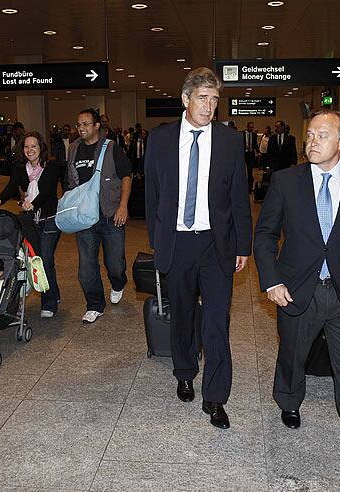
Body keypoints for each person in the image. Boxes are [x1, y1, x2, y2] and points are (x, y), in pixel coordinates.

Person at [253, 109, 340, 476]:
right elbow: (265, 235)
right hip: (297, 289)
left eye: (322, 135)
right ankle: (289, 400)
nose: (312, 142)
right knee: (293, 354)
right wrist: (271, 280)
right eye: (310, 135)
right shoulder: (285, 181)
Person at [145, 67, 252, 429]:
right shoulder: (159, 140)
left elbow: (239, 195)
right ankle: (185, 370)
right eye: (203, 99)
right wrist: (157, 241)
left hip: (215, 243)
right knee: (184, 314)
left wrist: (243, 244)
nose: (209, 107)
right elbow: (152, 196)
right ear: (185, 99)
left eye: (215, 100)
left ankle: (216, 396)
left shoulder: (229, 141)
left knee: (217, 320)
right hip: (176, 241)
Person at [66, 109, 133, 324]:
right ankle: (94, 305)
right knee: (86, 266)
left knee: (115, 264)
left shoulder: (111, 147)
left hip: (110, 215)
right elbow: (70, 182)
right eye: (79, 124)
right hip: (85, 218)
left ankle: (117, 282)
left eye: (86, 124)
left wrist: (123, 206)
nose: (81, 128)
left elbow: (126, 176)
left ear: (97, 126)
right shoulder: (74, 149)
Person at [0, 131, 61, 318]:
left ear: (41, 148)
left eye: (34, 146)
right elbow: (12, 185)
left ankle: (49, 302)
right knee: (36, 259)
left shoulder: (51, 166)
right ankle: (54, 292)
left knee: (45, 259)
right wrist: (0, 199)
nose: (30, 150)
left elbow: (46, 192)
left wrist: (33, 204)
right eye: (26, 146)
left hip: (50, 220)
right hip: (30, 221)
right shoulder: (21, 168)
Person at [242, 121, 258, 192]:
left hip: (250, 155)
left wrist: (258, 152)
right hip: (243, 154)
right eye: (250, 127)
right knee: (241, 171)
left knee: (250, 171)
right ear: (247, 127)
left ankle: (250, 188)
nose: (252, 128)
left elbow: (255, 145)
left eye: (252, 127)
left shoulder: (254, 135)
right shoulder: (241, 134)